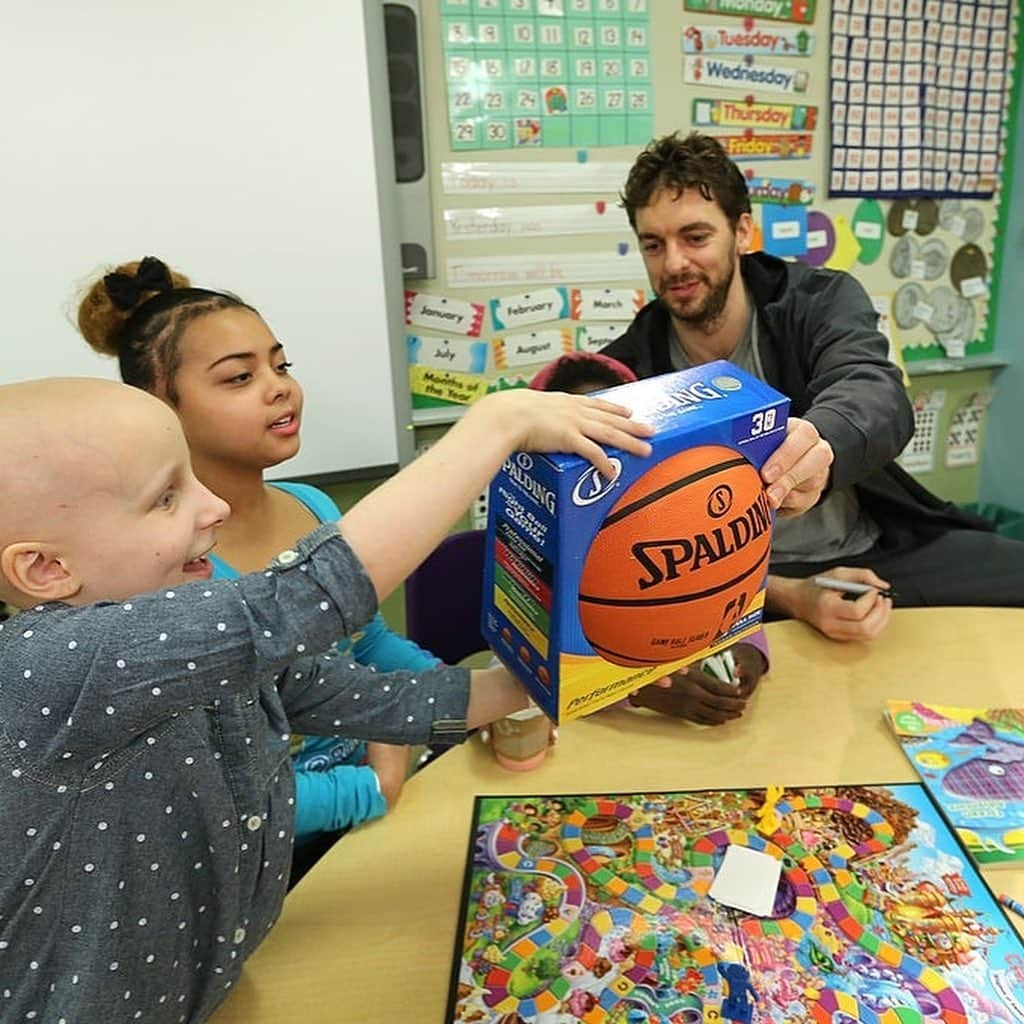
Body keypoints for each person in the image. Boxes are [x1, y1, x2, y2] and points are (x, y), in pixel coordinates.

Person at [0, 375, 654, 1022]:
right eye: (166, 498)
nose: (214, 509)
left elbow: (374, 701)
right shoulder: (50, 666)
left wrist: (545, 678)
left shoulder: (192, 646)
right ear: (46, 570)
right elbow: (310, 594)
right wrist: (495, 425)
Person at [601, 131, 1024, 643]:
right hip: (732, 589)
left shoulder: (819, 300)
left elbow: (873, 390)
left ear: (741, 232)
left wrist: (821, 441)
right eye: (654, 244)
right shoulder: (626, 371)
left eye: (695, 237)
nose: (673, 264)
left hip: (871, 551)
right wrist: (791, 595)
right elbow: (632, 560)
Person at [77, 257, 436, 856]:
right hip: (270, 857)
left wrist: (465, 703)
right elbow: (210, 791)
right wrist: (373, 785)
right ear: (158, 408)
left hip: (376, 806)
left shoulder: (315, 507)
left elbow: (368, 647)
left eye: (280, 364)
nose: (280, 387)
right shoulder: (164, 573)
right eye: (239, 377)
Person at [530, 349, 768, 726]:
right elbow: (521, 674)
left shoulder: (666, 502)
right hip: (594, 743)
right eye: (584, 436)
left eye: (616, 429)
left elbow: (721, 583)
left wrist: (746, 648)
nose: (602, 447)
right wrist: (635, 690)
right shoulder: (528, 529)